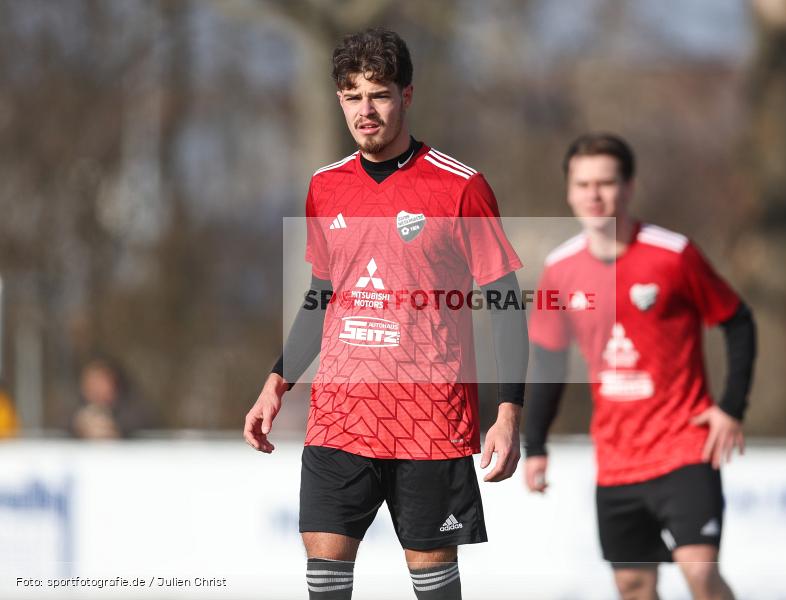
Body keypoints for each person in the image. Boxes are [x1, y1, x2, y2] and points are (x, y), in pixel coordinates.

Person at [243, 28, 528, 600]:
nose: (364, 110)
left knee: (432, 583)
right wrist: (278, 379)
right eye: (351, 96)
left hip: (430, 421)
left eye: (378, 94)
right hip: (340, 415)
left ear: (407, 96)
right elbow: (324, 293)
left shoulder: (461, 187)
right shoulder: (325, 187)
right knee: (324, 575)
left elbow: (505, 302)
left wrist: (508, 410)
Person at [524, 133, 756, 600]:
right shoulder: (560, 268)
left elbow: (738, 322)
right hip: (616, 459)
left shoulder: (673, 254)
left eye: (606, 183)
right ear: (569, 192)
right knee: (633, 584)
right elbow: (548, 359)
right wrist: (536, 445)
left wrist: (731, 407)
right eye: (583, 184)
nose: (594, 195)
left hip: (685, 448)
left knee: (701, 572)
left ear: (628, 187)